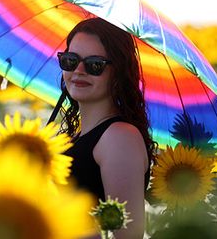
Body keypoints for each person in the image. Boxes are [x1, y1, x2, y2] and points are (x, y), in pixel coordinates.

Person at [54, 17, 157, 239]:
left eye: (94, 65)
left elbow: (127, 234)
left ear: (118, 71)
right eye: (71, 61)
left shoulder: (119, 138)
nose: (79, 70)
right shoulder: (76, 136)